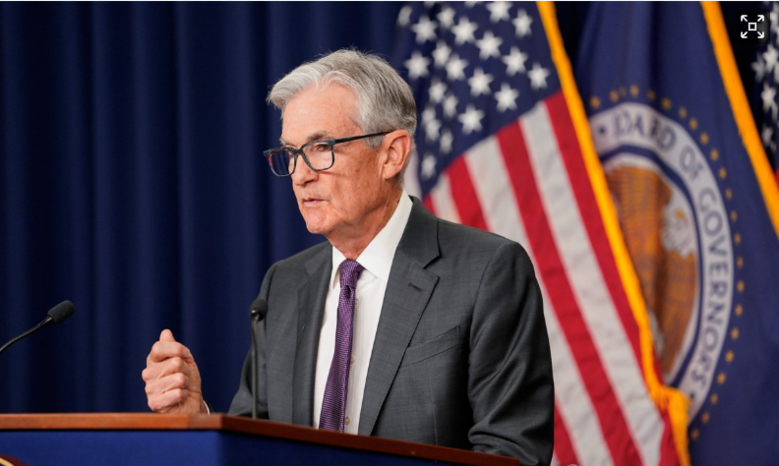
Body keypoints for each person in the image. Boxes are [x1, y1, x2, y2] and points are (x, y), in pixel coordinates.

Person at [142, 49, 554, 465]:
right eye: (291, 152)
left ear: (391, 154)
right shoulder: (284, 285)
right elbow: (256, 446)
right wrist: (195, 418)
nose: (301, 175)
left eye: (321, 147)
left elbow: (512, 452)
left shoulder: (486, 272)